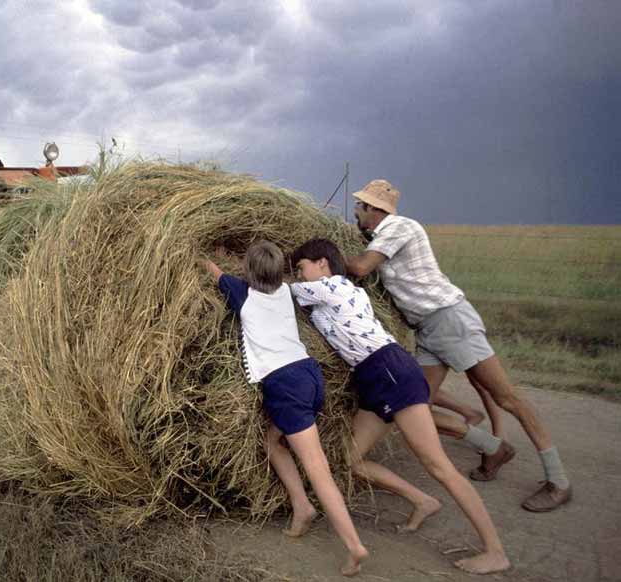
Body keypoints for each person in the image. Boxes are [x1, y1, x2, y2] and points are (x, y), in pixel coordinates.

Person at [345, 179, 571, 512]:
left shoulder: (398, 226)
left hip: (449, 320)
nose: (355, 212)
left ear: (373, 208)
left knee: (508, 397)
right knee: (416, 403)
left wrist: (327, 255)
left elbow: (362, 267)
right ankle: (493, 447)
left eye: (359, 207)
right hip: (428, 330)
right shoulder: (383, 235)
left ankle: (559, 480)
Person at [289, 238, 509, 574]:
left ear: (321, 263)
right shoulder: (338, 293)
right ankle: (423, 501)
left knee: (439, 466)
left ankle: (495, 551)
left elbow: (282, 291)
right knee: (350, 459)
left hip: (389, 371)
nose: (300, 275)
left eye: (301, 267)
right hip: (373, 378)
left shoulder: (332, 286)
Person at [203, 241, 368, 577]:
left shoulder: (241, 293)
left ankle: (354, 545)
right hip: (309, 374)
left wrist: (204, 256)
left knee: (316, 466)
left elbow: (214, 272)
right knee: (273, 442)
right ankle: (302, 506)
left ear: (247, 272)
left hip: (284, 383)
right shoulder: (285, 292)